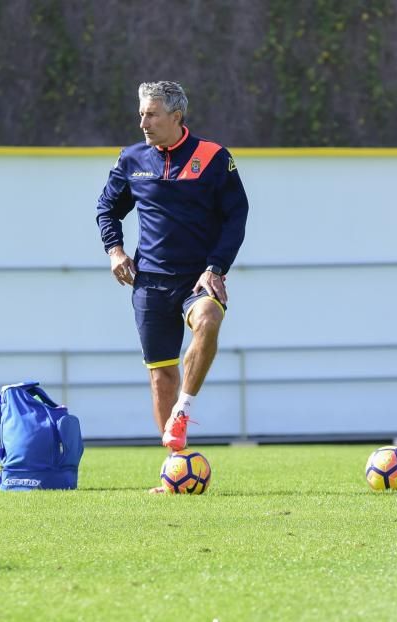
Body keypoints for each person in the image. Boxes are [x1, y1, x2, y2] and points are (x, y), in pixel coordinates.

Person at [95, 81, 249, 493]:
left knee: (210, 318)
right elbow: (107, 207)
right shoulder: (131, 159)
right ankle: (175, 470)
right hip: (149, 282)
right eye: (141, 114)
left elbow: (236, 216)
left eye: (151, 114)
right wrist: (115, 251)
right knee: (162, 376)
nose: (143, 121)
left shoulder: (214, 157)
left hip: (198, 277)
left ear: (176, 116)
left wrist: (216, 267)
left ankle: (186, 407)